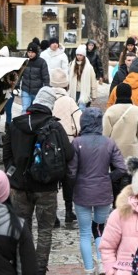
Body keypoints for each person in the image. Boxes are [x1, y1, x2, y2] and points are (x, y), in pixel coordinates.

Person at [3, 86, 74, 275]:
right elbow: (68, 154)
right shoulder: (54, 126)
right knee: (45, 231)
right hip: (46, 187)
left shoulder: (16, 124)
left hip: (20, 187)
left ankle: (23, 272)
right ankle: (39, 274)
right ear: (50, 105)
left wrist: (13, 173)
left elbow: (6, 154)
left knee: (22, 229)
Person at [68, 107, 127, 275]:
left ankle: (88, 273)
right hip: (103, 191)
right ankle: (102, 265)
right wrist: (107, 178)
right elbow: (122, 168)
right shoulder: (108, 143)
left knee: (85, 232)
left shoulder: (77, 142)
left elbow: (71, 172)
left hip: (83, 192)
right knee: (100, 229)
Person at [50, 68, 82, 227]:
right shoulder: (69, 101)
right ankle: (69, 211)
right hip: (68, 143)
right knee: (68, 178)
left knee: (52, 179)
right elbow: (78, 123)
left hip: (48, 144)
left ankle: (53, 214)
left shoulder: (46, 99)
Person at [103, 83, 138, 158]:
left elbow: (105, 136)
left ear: (116, 94)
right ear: (130, 94)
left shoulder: (110, 111)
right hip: (133, 154)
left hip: (114, 154)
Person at [20, 42, 51, 113]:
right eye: (29, 52)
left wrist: (46, 89)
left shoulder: (42, 62)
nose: (30, 54)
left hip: (37, 91)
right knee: (25, 109)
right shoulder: (24, 61)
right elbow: (19, 75)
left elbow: (45, 77)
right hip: (26, 89)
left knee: (36, 111)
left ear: (36, 52)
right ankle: (25, 123)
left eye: (32, 52)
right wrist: (16, 85)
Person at [69, 45, 98, 111]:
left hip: (84, 92)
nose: (79, 56)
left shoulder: (89, 67)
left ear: (84, 56)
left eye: (81, 55)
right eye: (77, 55)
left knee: (81, 109)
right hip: (74, 91)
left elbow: (93, 80)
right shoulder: (72, 65)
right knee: (73, 109)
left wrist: (94, 94)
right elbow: (68, 79)